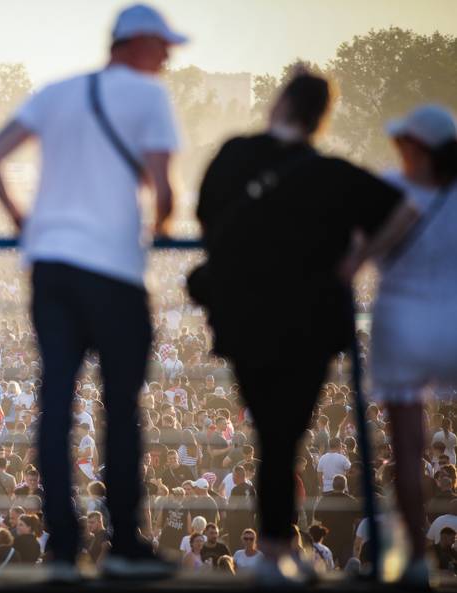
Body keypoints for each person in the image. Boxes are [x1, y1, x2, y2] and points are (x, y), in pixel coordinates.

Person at [0, 3, 184, 578]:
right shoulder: (150, 98)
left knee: (56, 406)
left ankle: (63, 549)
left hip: (50, 263)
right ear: (139, 45)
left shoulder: (57, 91)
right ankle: (122, 546)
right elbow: (165, 194)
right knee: (119, 408)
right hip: (114, 270)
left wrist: (24, 221)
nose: (169, 58)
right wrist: (159, 228)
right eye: (164, 46)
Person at [191, 70, 417, 584]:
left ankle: (276, 551)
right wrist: (357, 259)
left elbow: (206, 217)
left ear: (280, 104)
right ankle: (278, 551)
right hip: (309, 322)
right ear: (321, 118)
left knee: (271, 434)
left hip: (244, 317)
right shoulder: (332, 173)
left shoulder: (234, 154)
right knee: (283, 437)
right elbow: (401, 212)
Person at [367, 105, 457, 587]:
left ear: (418, 148)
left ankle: (417, 558)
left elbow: (362, 249)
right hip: (452, 325)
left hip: (402, 328)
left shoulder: (391, 189)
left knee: (405, 448)